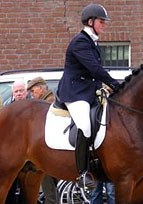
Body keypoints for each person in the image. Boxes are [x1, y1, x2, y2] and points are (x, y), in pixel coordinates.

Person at [56, 4, 120, 190]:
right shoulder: (80, 42)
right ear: (91, 22)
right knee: (84, 126)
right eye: (101, 22)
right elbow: (94, 69)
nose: (104, 25)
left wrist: (103, 88)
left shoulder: (92, 40)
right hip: (75, 92)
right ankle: (82, 173)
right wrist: (115, 84)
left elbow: (92, 73)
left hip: (88, 91)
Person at [27, 77, 61, 204]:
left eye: (33, 91)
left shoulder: (48, 102)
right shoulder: (50, 99)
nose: (32, 94)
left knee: (48, 186)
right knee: (50, 187)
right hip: (52, 150)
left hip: (50, 151)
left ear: (40, 88)